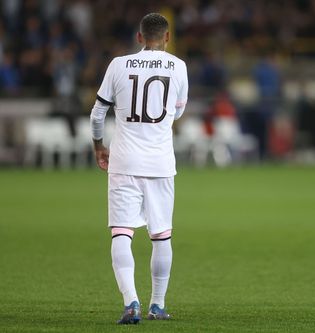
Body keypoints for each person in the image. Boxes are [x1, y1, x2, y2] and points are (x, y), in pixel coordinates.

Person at [90, 13, 188, 324]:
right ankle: (157, 305)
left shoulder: (118, 65)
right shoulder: (179, 67)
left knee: (122, 232)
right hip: (160, 162)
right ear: (168, 37)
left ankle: (130, 302)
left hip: (124, 160)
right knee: (161, 236)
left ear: (139, 37)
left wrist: (98, 146)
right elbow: (178, 111)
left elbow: (96, 115)